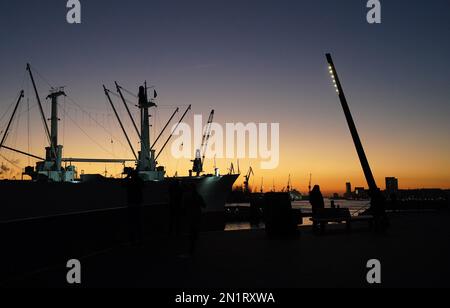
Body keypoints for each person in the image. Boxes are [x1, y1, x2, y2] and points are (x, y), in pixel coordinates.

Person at [183, 183, 206, 255]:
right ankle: (194, 246)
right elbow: (204, 205)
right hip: (197, 215)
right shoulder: (198, 196)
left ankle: (191, 249)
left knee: (191, 232)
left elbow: (184, 206)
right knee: (195, 231)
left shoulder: (188, 197)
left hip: (190, 216)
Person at [126, 170, 144, 245]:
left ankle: (132, 239)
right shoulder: (140, 181)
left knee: (131, 223)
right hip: (138, 204)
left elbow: (122, 184)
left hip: (131, 204)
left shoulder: (130, 182)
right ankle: (139, 238)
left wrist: (127, 176)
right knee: (138, 222)